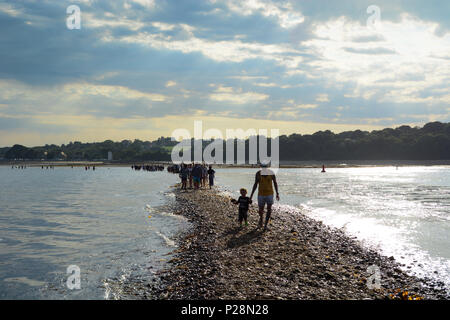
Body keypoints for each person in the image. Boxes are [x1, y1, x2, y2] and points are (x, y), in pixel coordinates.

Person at [250, 163, 280, 231]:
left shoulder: (271, 173)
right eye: (263, 167)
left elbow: (275, 183)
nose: (264, 168)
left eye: (265, 166)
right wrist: (251, 195)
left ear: (267, 167)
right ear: (261, 167)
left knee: (269, 209)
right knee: (260, 210)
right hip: (261, 194)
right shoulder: (258, 173)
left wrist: (277, 193)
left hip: (270, 194)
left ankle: (265, 224)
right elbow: (255, 184)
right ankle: (261, 219)